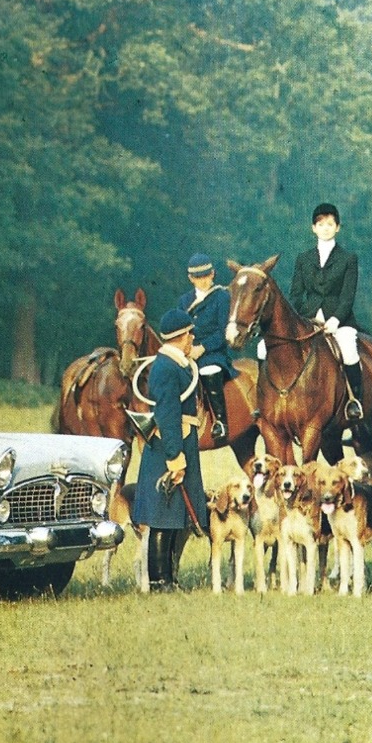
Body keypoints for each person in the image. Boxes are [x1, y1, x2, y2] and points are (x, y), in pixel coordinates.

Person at [129, 307, 208, 590]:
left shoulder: (177, 363)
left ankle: (170, 579)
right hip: (169, 444)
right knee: (163, 517)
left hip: (180, 440)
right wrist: (175, 458)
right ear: (182, 335)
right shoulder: (165, 367)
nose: (192, 339)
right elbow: (167, 414)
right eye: (190, 335)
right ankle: (159, 581)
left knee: (176, 516)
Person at [289, 203, 365, 422]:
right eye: (320, 224)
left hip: (339, 319)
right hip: (309, 318)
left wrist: (335, 319)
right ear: (313, 228)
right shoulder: (303, 259)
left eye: (330, 224)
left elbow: (347, 296)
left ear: (337, 227)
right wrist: (300, 318)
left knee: (349, 350)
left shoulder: (348, 258)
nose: (325, 228)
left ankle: (354, 401)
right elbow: (295, 294)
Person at [178, 253, 237, 446]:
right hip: (187, 352)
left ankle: (220, 421)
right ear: (190, 278)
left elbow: (222, 331)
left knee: (208, 370)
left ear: (213, 274)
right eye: (197, 277)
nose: (202, 281)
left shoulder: (221, 296)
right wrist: (186, 348)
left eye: (206, 276)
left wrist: (202, 348)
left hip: (213, 353)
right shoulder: (184, 301)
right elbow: (180, 330)